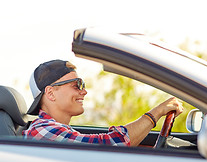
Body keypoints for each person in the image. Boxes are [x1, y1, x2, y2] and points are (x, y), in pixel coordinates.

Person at [22, 59, 183, 146]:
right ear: (50, 93)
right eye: (76, 85)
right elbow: (109, 145)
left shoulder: (57, 130)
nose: (83, 91)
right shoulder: (43, 132)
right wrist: (156, 113)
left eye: (83, 85)